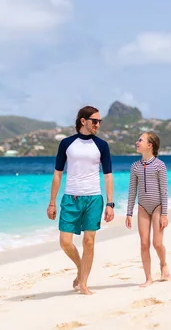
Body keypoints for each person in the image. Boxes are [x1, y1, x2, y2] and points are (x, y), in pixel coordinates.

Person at [46, 105, 115, 295]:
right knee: (65, 241)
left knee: (89, 242)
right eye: (95, 121)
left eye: (100, 121)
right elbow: (58, 174)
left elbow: (108, 176)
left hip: (93, 198)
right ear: (83, 121)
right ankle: (80, 267)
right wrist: (52, 202)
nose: (98, 125)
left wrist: (110, 203)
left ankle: (83, 282)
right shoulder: (66, 143)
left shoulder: (102, 145)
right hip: (71, 198)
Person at [125, 132, 171, 287]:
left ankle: (163, 264)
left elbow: (164, 190)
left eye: (140, 140)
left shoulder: (160, 165)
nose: (137, 142)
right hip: (143, 207)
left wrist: (164, 213)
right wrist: (129, 212)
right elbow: (132, 190)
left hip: (158, 207)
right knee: (144, 243)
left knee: (157, 243)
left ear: (150, 145)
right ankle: (148, 278)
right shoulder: (135, 166)